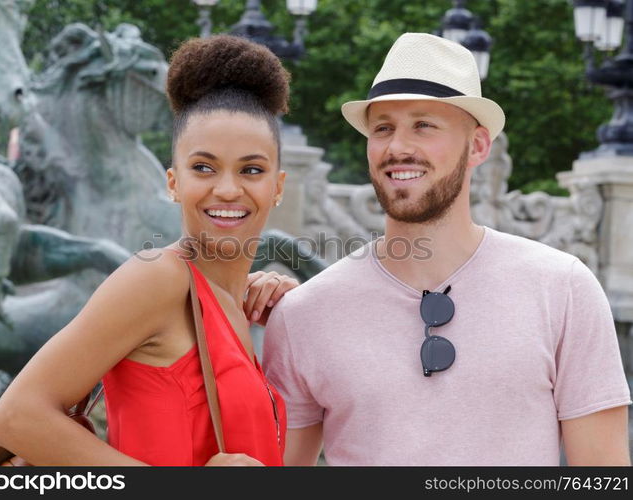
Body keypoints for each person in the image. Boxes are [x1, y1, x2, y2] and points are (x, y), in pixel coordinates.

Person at [263, 32, 632, 466]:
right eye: (383, 128)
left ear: (477, 146)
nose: (398, 147)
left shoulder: (563, 289)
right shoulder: (303, 313)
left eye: (423, 125)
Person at [0, 34, 298, 466]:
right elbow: (16, 418)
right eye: (203, 167)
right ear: (173, 182)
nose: (227, 189)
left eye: (251, 169)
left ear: (277, 186)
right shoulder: (159, 278)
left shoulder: (236, 303)